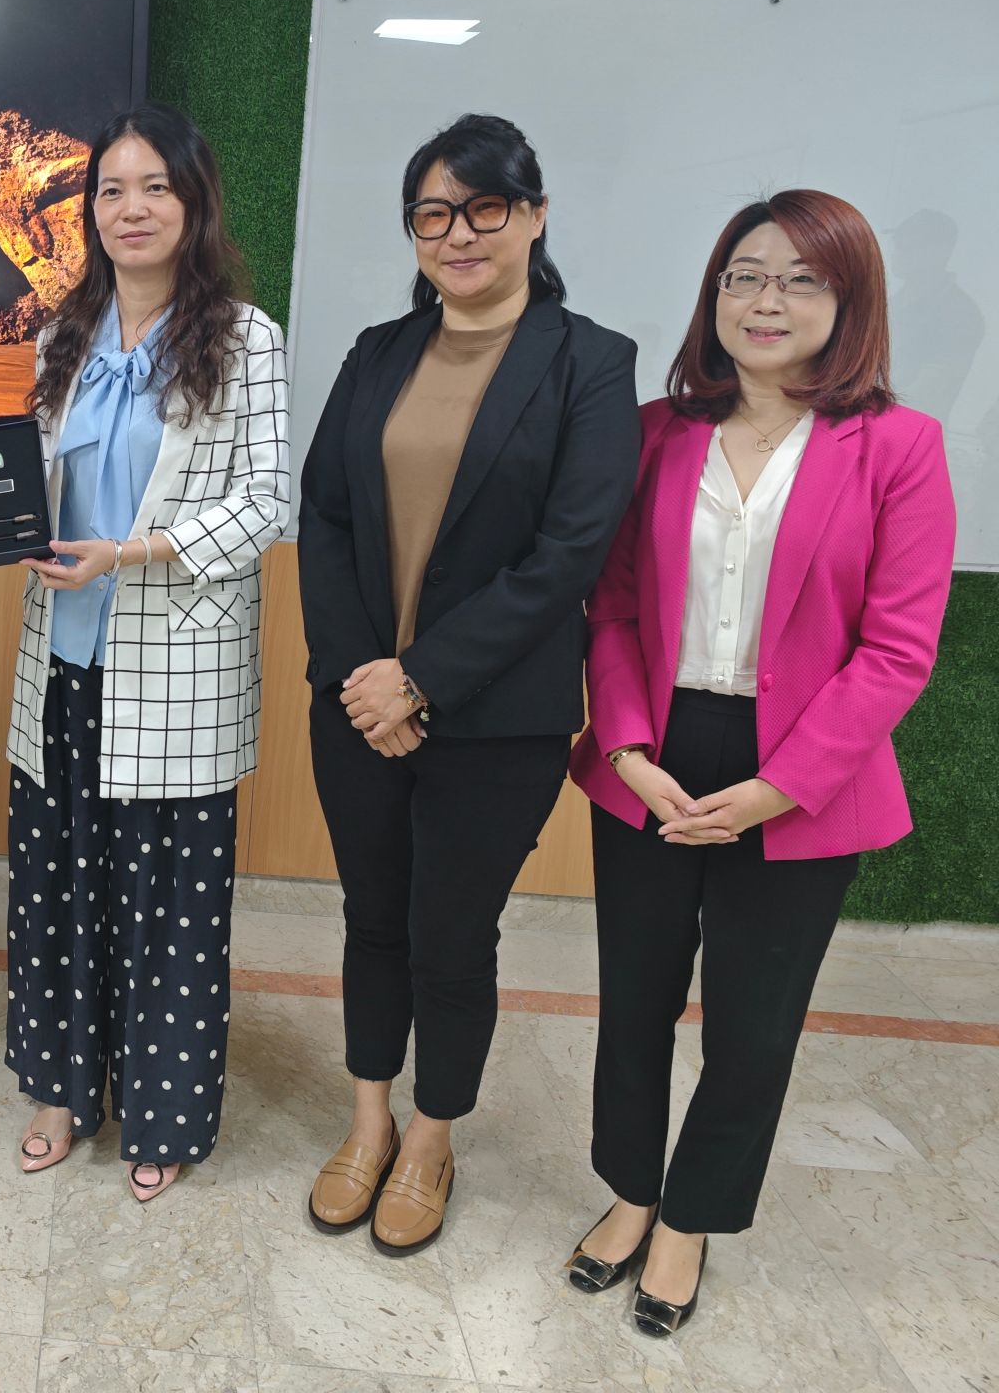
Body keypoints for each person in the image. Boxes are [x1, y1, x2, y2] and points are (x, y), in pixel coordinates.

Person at [565, 190, 955, 1336]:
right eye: (742, 274)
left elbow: (896, 650)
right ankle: (629, 1193)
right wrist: (624, 747)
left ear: (846, 300)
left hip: (802, 776)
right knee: (633, 1000)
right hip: (652, 753)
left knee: (750, 1022)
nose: (764, 299)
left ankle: (688, 1219)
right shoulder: (653, 432)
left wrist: (776, 788)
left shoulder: (898, 447)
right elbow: (612, 606)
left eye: (798, 278)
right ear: (713, 296)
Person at [298, 113, 639, 1253]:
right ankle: (367, 1120)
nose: (457, 234)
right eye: (432, 214)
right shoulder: (377, 352)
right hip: (356, 706)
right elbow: (325, 517)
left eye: (483, 208)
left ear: (533, 217)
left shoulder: (591, 362)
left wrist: (423, 681)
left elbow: (568, 552)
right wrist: (363, 678)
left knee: (451, 934)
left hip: (496, 721)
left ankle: (431, 1137)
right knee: (371, 920)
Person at [4, 103, 289, 1202]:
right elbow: (29, 484)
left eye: (154, 187)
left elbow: (266, 502)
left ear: (193, 202)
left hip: (176, 673)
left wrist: (134, 552)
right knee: (57, 888)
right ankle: (60, 1090)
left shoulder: (245, 340)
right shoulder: (60, 337)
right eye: (111, 190)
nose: (131, 209)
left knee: (170, 905)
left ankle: (163, 1113)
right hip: (60, 664)